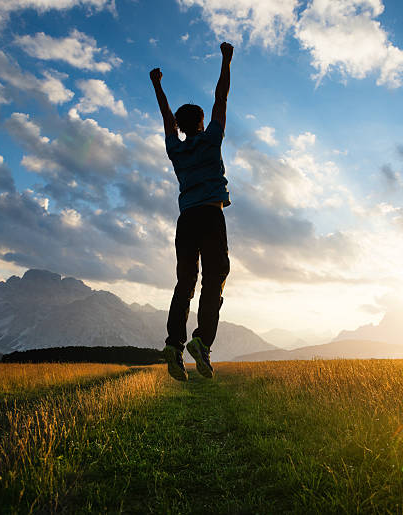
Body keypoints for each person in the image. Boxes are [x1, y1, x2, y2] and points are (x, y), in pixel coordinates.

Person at [150, 42, 233, 381]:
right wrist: (226, 60)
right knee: (215, 278)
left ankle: (174, 343)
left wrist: (158, 85)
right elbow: (221, 98)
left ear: (180, 127)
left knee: (185, 283)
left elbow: (165, 119)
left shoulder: (175, 150)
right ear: (200, 122)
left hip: (186, 221)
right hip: (211, 217)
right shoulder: (212, 138)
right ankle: (202, 342)